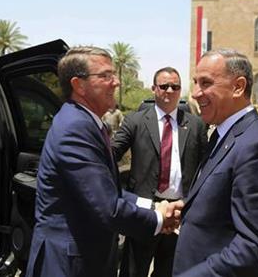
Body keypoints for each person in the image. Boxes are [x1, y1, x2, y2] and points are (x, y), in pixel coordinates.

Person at [25, 46, 183, 277]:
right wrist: (160, 218)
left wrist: (151, 205)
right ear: (79, 85)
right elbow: (108, 207)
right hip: (69, 264)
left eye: (114, 75)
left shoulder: (86, 122)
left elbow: (107, 191)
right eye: (105, 76)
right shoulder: (75, 128)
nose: (116, 82)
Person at [172, 49, 258, 277]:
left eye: (206, 83)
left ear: (238, 86)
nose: (196, 93)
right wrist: (191, 208)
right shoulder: (226, 134)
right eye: (195, 83)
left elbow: (253, 248)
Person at [112, 66, 208, 277]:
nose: (170, 91)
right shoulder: (135, 121)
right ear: (154, 89)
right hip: (145, 211)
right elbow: (110, 155)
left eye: (175, 86)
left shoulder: (196, 125)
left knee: (170, 271)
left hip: (179, 215)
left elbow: (207, 168)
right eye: (164, 86)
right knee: (133, 271)